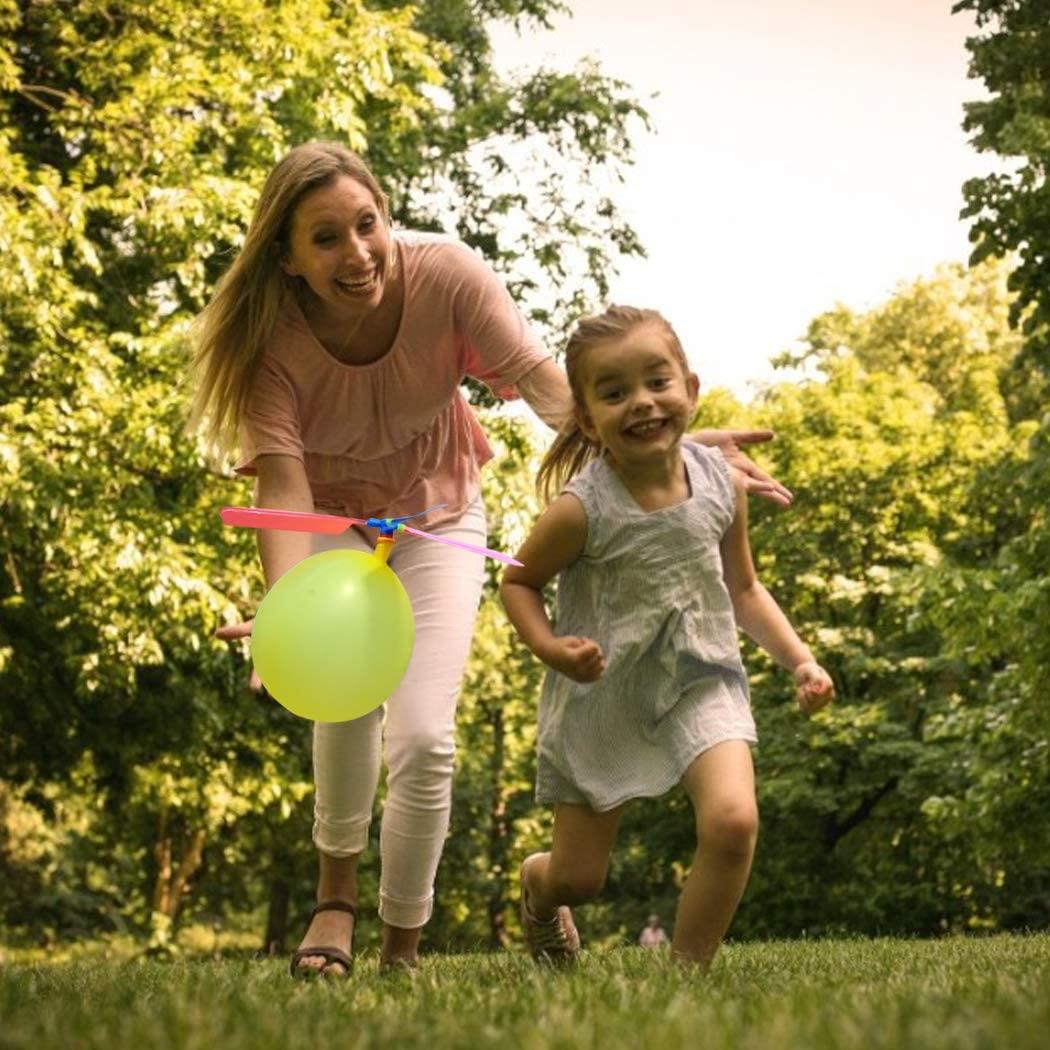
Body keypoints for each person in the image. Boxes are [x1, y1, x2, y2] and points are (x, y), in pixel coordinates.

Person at [189, 141, 791, 979]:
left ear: (387, 216)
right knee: (344, 701)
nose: (357, 254)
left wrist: (674, 448)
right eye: (325, 239)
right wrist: (290, 612)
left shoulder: (447, 276)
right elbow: (285, 490)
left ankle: (403, 942)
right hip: (331, 520)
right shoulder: (272, 343)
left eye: (368, 225)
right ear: (286, 257)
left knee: (429, 738)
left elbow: (543, 383)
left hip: (437, 511)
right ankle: (335, 902)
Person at [500, 304, 835, 970]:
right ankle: (540, 892)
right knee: (579, 879)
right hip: (603, 695)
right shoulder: (580, 510)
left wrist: (800, 659)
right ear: (589, 420)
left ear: (691, 388)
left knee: (734, 821)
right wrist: (551, 647)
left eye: (658, 382)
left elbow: (744, 590)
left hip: (699, 680)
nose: (643, 403)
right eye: (615, 392)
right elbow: (518, 582)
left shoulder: (722, 485)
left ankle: (687, 978)